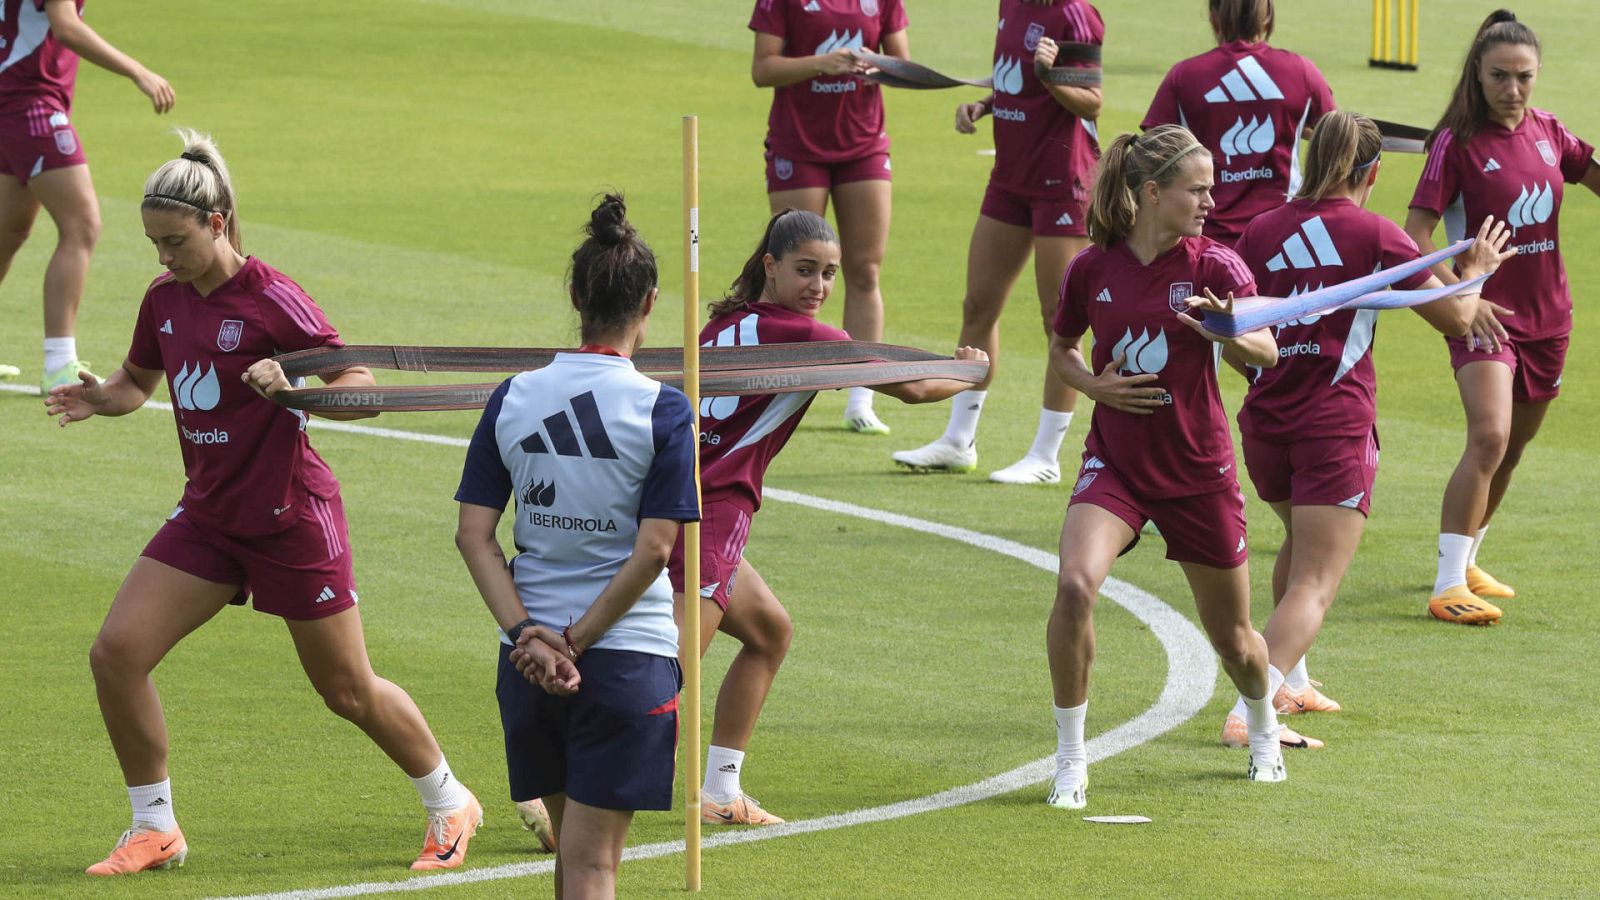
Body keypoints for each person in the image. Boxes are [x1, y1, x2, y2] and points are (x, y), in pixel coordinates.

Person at [44, 131, 481, 876]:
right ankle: (155, 827)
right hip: (211, 517)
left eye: (176, 240)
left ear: (217, 223)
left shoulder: (272, 299)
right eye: (154, 243)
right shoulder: (165, 300)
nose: (165, 257)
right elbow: (135, 385)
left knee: (345, 690)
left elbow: (361, 391)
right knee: (116, 654)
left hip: (290, 518)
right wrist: (99, 399)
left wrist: (296, 389)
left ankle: (449, 801)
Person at [675, 208, 986, 825]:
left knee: (768, 633)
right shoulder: (814, 340)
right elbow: (914, 387)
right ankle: (565, 795)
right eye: (805, 271)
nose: (818, 286)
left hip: (664, 501)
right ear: (770, 265)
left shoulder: (721, 324)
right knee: (667, 677)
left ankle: (720, 791)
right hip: (712, 512)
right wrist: (971, 369)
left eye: (830, 275)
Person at [1224, 111, 1514, 745]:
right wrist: (1478, 267)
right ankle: (1251, 710)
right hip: (1334, 423)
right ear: (1373, 171)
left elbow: (1233, 341)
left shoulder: (1259, 231)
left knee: (1300, 551)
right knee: (1315, 583)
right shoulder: (1374, 234)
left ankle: (1292, 683)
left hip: (1266, 423)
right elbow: (1458, 319)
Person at [455, 194, 699, 899]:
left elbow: (475, 535)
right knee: (593, 869)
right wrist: (578, 640)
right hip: (625, 661)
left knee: (568, 864)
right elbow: (656, 550)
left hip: (526, 663)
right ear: (650, 301)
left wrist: (528, 634)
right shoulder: (663, 408)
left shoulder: (514, 396)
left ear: (573, 295)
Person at [1045, 124, 1286, 808]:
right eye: (1199, 189)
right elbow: (1063, 348)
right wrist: (1092, 387)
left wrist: (1226, 328)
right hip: (1115, 464)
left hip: (1197, 470)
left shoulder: (1218, 266)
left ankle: (1264, 725)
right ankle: (1070, 760)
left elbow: (1266, 351)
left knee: (1236, 641)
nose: (1212, 200)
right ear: (1152, 193)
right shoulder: (1091, 268)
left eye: (1212, 189)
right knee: (1073, 586)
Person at [1405, 9, 1600, 626]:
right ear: (1477, 76)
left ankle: (1467, 563)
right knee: (1489, 436)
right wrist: (1463, 293)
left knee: (1512, 449)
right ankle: (1445, 587)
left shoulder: (1549, 131)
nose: (1513, 90)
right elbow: (1414, 235)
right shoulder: (1456, 143)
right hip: (1486, 320)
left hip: (1551, 319)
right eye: (1499, 77)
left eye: (1524, 77)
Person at [891, 0, 1102, 485]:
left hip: (1063, 182)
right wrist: (984, 105)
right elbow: (1013, 78)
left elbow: (1091, 101)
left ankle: (1046, 455)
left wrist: (1050, 76)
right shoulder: (1012, 6)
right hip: (1010, 178)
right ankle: (958, 440)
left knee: (1059, 317)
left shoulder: (1076, 15)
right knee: (979, 305)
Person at [749, 0, 909, 435]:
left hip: (864, 146)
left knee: (865, 269)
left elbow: (902, 65)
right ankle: (780, 386)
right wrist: (823, 63)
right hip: (798, 146)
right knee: (791, 269)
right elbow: (763, 69)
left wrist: (873, 64)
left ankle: (861, 396)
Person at [1, 0, 174, 389]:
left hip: (11, 98)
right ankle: (59, 364)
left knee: (8, 233)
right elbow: (65, 26)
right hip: (30, 104)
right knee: (82, 226)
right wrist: (138, 71)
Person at [1140, 0, 1333, 247]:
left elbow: (1150, 156)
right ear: (1267, 18)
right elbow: (1338, 143)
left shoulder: (1185, 76)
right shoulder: (1301, 71)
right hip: (1285, 237)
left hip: (1207, 239)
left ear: (1213, 18)